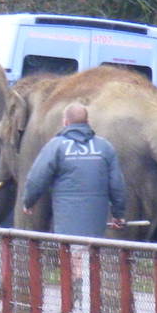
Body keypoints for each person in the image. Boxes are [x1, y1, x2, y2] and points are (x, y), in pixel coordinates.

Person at [21, 102, 129, 239]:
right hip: (96, 224)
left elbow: (37, 178)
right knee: (93, 255)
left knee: (71, 256)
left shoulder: (56, 146)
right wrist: (118, 214)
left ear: (65, 122)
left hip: (66, 223)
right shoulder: (104, 147)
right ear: (88, 121)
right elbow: (117, 185)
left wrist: (28, 202)